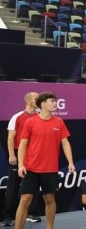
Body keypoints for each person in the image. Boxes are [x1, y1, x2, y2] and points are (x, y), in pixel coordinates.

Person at [15, 92, 76, 229]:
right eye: (52, 101)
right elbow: (22, 145)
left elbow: (65, 143)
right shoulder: (30, 122)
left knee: (49, 199)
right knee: (25, 200)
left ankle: (50, 227)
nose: (55, 103)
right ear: (43, 104)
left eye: (55, 101)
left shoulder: (59, 122)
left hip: (50, 169)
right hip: (31, 168)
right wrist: (20, 165)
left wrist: (70, 162)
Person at [1, 92, 42, 227]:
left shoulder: (40, 116)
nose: (38, 100)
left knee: (32, 186)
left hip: (34, 155)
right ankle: (7, 216)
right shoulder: (17, 117)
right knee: (13, 186)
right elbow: (10, 138)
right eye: (36, 98)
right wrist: (12, 155)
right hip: (19, 154)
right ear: (28, 101)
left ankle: (30, 213)